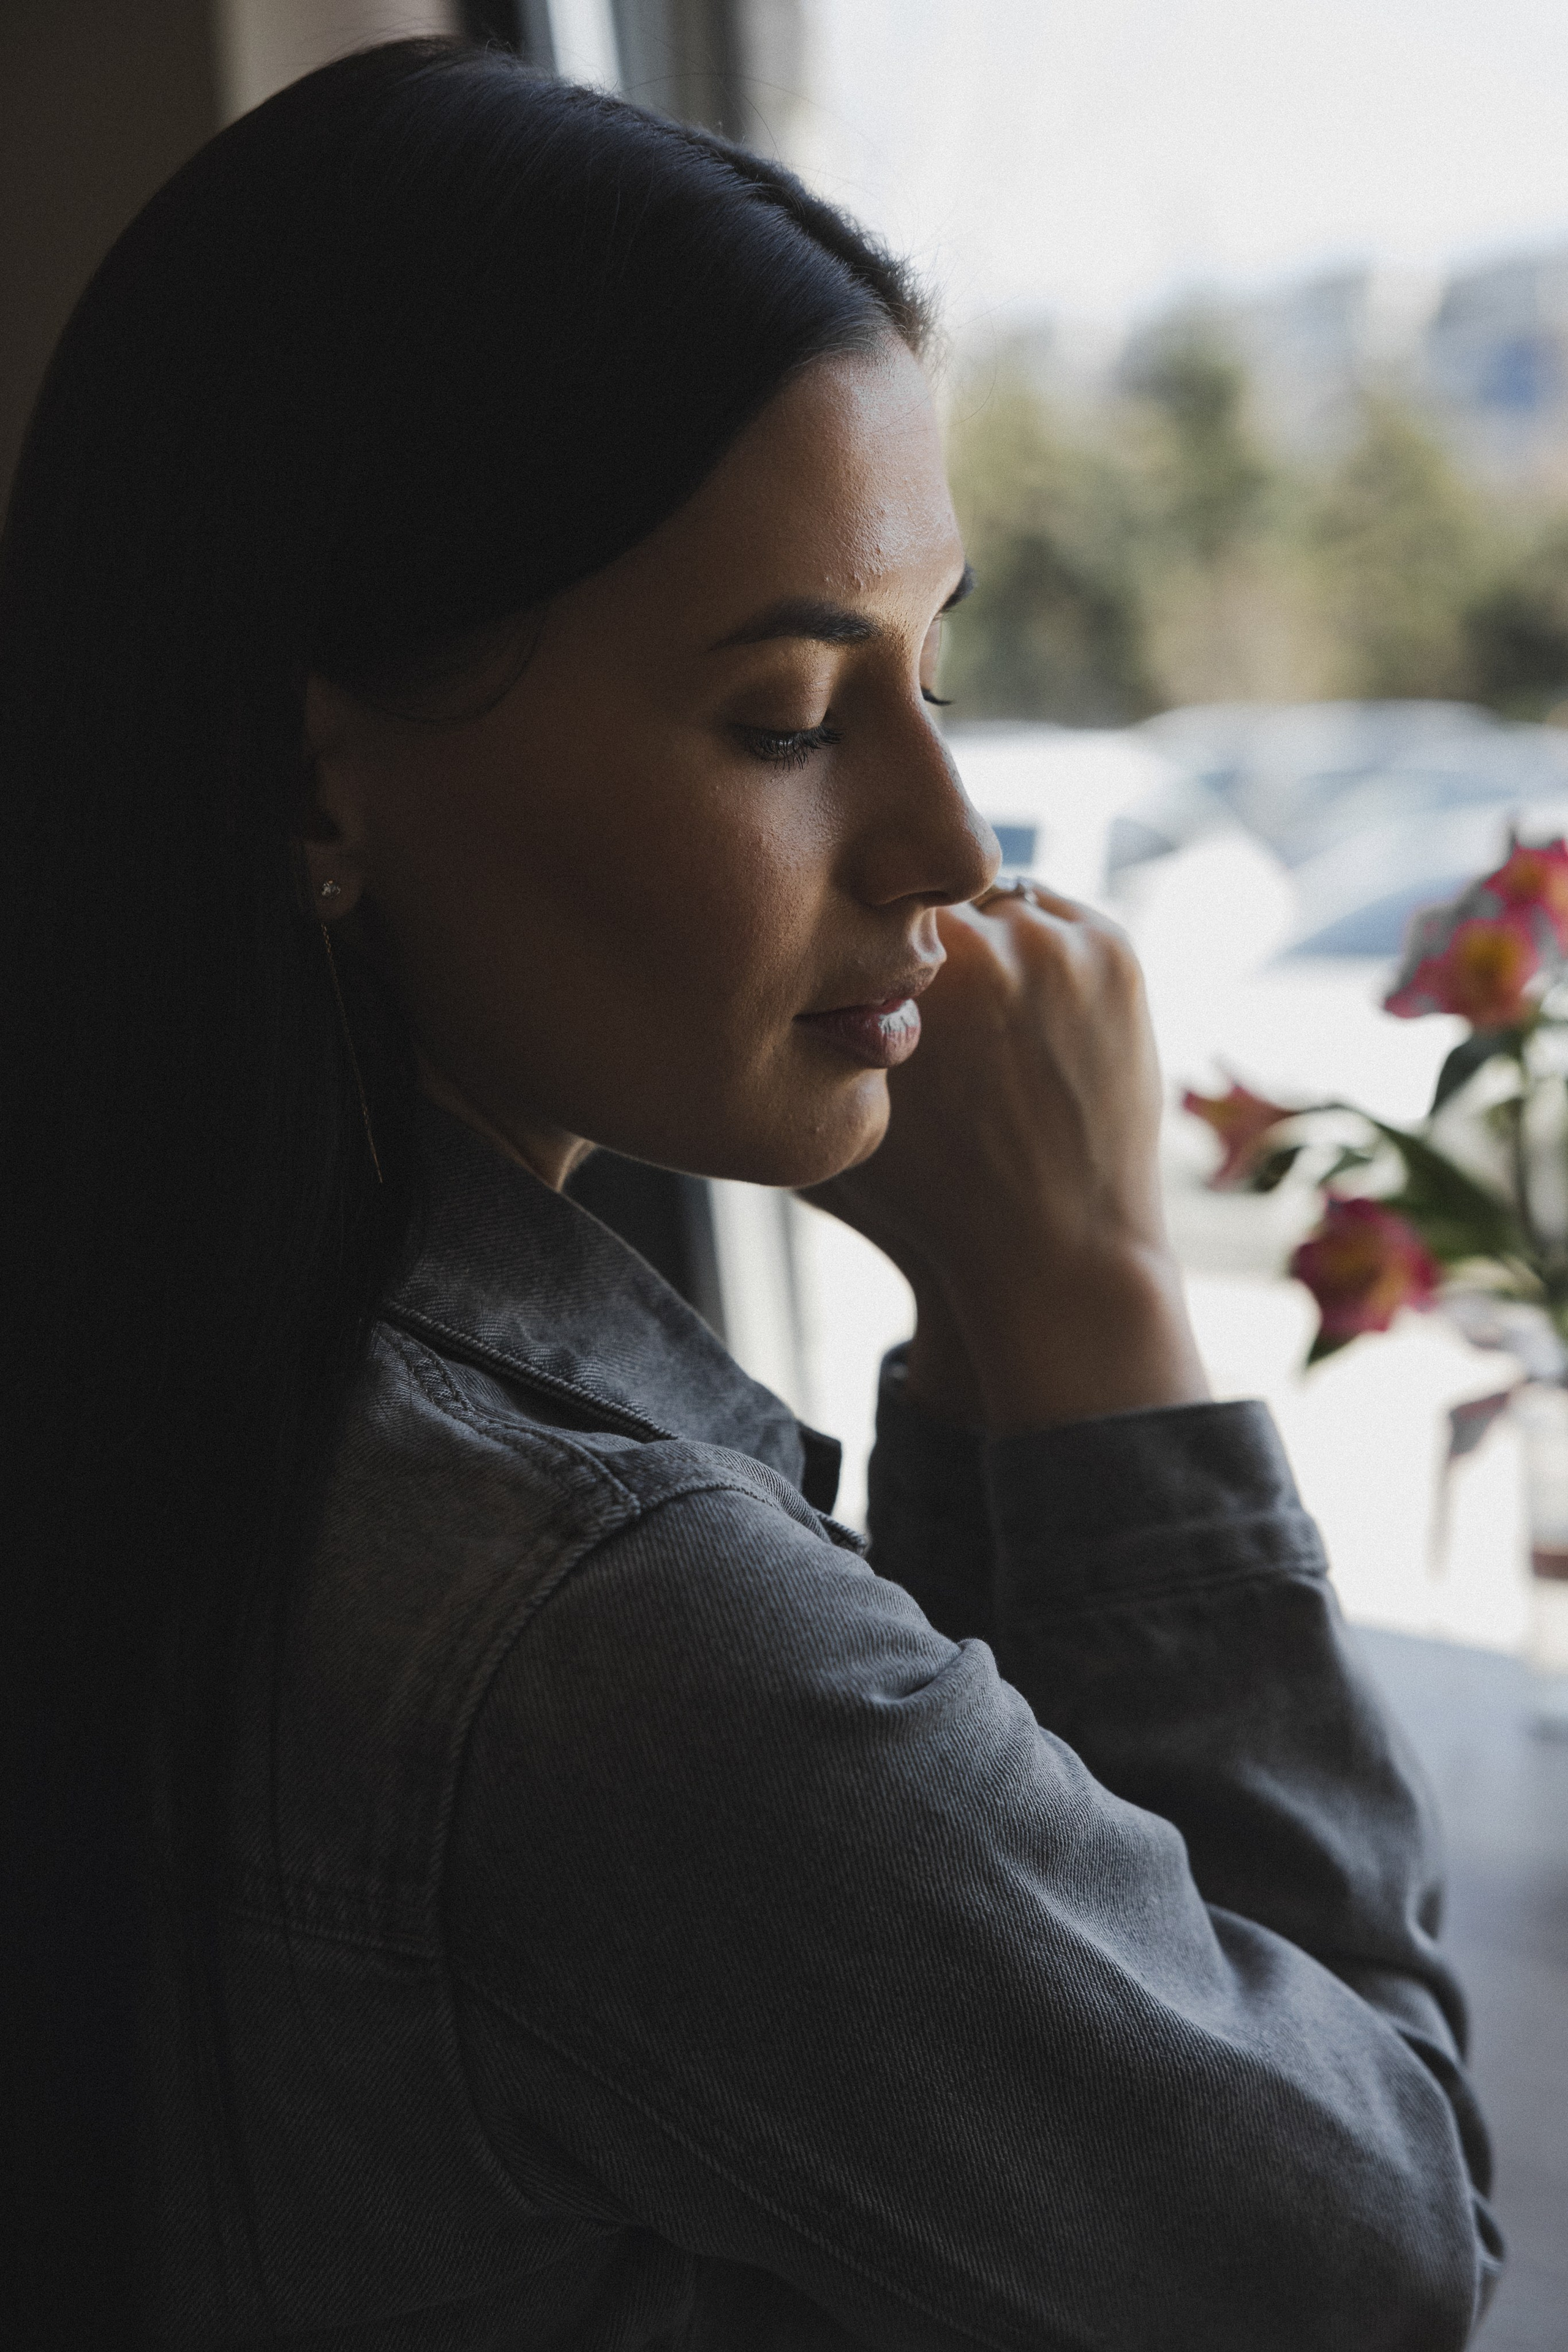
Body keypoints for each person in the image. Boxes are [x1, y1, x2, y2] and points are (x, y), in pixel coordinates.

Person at [0, 37, 1500, 2348]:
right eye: (791, 719)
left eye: (932, 664)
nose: (951, 848)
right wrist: (1091, 1308)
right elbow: (1364, 2271)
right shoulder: (589, 1633)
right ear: (319, 790)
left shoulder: (168, 1351)